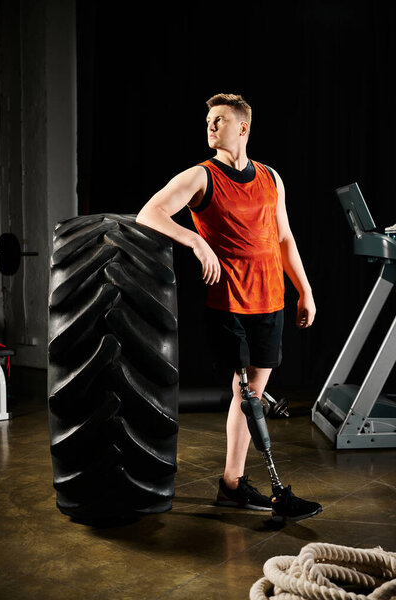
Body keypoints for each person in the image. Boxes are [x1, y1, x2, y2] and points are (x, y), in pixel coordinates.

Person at [136, 93, 322, 520]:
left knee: (252, 394)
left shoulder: (271, 177)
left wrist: (305, 291)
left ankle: (231, 486)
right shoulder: (201, 176)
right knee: (247, 396)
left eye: (219, 119)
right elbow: (150, 213)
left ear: (243, 128)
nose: (210, 125)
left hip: (270, 300)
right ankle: (249, 486)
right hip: (229, 302)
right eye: (207, 120)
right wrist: (195, 240)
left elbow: (284, 239)